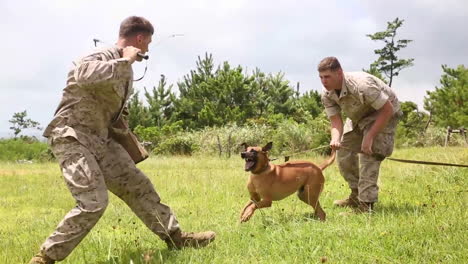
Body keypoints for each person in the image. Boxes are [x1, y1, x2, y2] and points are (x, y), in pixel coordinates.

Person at [30, 16, 215, 264]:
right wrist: (125, 59)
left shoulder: (124, 72)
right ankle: (45, 258)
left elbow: (115, 110)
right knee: (93, 203)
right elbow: (83, 75)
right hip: (72, 136)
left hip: (101, 140)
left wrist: (127, 136)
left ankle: (176, 238)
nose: (147, 49)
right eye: (147, 43)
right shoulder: (101, 55)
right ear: (139, 39)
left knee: (138, 186)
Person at [318, 57, 402, 214]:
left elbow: (387, 110)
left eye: (327, 76)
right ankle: (356, 195)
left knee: (368, 154)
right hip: (359, 117)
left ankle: (366, 205)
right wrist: (335, 139)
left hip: (384, 113)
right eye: (321, 77)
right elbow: (336, 122)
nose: (324, 81)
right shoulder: (327, 94)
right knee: (343, 151)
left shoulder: (362, 85)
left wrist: (369, 138)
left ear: (339, 73)